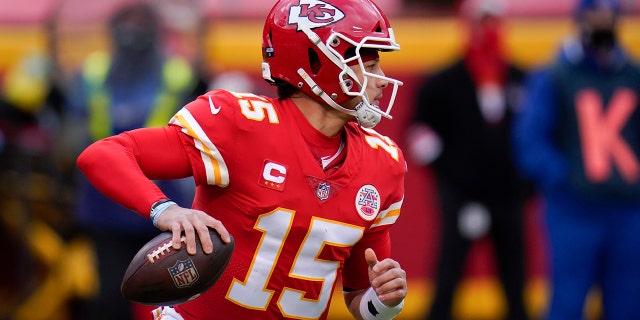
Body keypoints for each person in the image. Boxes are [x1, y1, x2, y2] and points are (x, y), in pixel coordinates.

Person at [76, 0, 408, 319]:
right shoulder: (241, 124)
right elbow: (102, 155)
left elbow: (359, 294)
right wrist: (165, 209)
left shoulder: (383, 163)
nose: (380, 79)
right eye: (369, 62)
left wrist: (384, 303)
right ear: (317, 62)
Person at [66, 3, 204, 319]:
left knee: (169, 301)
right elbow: (74, 129)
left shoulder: (178, 73)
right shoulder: (93, 72)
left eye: (140, 22)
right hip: (105, 203)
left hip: (169, 207)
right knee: (110, 298)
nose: (132, 31)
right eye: (126, 22)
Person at [511, 0, 640, 319]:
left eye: (609, 14)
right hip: (573, 210)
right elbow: (530, 142)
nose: (602, 21)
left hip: (628, 209)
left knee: (629, 302)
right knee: (567, 302)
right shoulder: (554, 76)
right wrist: (566, 178)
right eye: (595, 13)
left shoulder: (632, 75)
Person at [406, 0, 531, 319]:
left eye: (493, 22)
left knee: (515, 283)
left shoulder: (520, 79)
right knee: (448, 277)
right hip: (461, 198)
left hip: (508, 198)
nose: (487, 31)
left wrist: (526, 187)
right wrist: (450, 179)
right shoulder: (443, 82)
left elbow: (535, 135)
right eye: (480, 22)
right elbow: (420, 134)